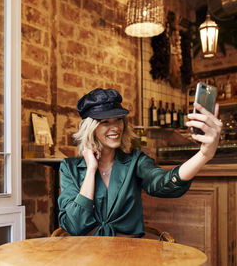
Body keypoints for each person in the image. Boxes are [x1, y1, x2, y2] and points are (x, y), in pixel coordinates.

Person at [58, 88, 222, 237]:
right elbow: (75, 225)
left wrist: (204, 155)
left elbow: (164, 183)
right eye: (105, 122)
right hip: (86, 256)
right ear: (90, 128)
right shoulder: (69, 168)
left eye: (118, 120)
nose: (115, 127)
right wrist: (91, 170)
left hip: (129, 254)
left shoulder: (135, 161)